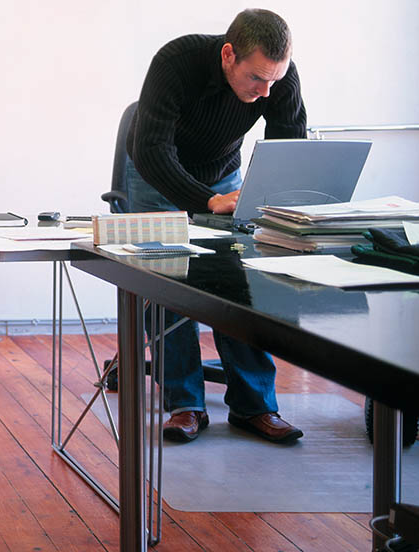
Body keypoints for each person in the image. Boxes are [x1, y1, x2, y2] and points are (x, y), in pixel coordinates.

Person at [126, 8, 304, 444]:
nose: (265, 92)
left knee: (238, 284)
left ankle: (255, 406)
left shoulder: (278, 77)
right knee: (164, 283)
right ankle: (185, 404)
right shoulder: (175, 62)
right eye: (257, 80)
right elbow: (150, 150)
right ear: (229, 55)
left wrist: (281, 205)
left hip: (223, 176)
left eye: (274, 82)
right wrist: (205, 201)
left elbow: (289, 146)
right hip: (156, 175)